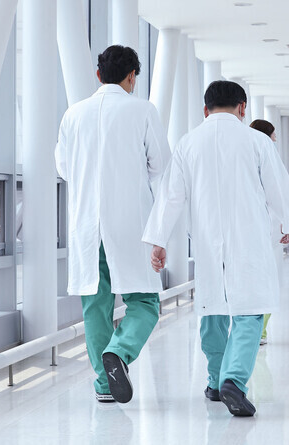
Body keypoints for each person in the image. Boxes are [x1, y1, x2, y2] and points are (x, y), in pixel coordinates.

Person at [142, 81, 289, 417]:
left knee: (212, 311)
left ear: (205, 109)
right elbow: (278, 188)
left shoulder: (188, 143)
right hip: (250, 239)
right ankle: (233, 380)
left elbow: (171, 197)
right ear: (243, 108)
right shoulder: (256, 141)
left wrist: (158, 239)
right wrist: (288, 225)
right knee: (250, 312)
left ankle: (215, 382)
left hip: (207, 240)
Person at [54, 45, 171, 404]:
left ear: (98, 74)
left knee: (95, 303)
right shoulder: (142, 110)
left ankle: (105, 383)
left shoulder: (73, 114)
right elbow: (160, 164)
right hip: (129, 222)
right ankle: (120, 351)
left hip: (87, 224)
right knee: (145, 300)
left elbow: (63, 168)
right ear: (132, 76)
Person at [249, 119, 289, 346]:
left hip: (246, 227)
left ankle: (253, 329)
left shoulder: (242, 152)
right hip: (270, 228)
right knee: (267, 280)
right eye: (274, 134)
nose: (276, 139)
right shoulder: (268, 153)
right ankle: (260, 330)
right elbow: (281, 194)